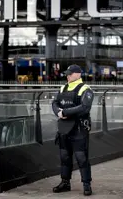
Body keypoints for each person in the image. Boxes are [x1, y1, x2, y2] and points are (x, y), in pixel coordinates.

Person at [51, 64, 94, 196]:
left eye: (70, 73)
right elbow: (54, 103)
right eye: (67, 73)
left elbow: (85, 107)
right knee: (64, 156)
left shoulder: (85, 89)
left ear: (78, 74)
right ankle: (65, 182)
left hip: (79, 128)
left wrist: (65, 112)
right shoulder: (63, 87)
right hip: (64, 127)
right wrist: (59, 112)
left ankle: (87, 185)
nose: (68, 76)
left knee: (81, 157)